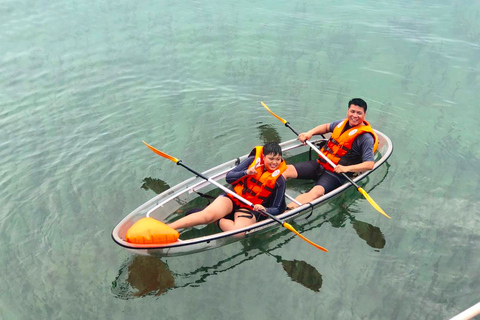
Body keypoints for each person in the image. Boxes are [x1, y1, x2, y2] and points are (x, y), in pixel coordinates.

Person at [169, 142, 287, 232]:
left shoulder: (279, 180)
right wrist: (246, 172)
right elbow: (229, 177)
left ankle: (217, 219)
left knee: (238, 232)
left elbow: (277, 208)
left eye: (278, 159)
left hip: (250, 207)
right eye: (271, 159)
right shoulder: (252, 161)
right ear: (263, 156)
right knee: (206, 216)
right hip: (233, 197)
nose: (274, 162)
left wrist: (264, 210)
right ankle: (169, 228)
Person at [283, 98, 378, 209]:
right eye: (352, 111)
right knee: (285, 170)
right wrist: (310, 133)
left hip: (336, 174)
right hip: (320, 164)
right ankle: (267, 193)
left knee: (316, 192)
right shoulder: (341, 123)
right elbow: (326, 127)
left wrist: (346, 169)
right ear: (348, 111)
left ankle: (287, 210)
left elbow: (369, 164)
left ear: (364, 115)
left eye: (359, 113)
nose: (355, 115)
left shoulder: (365, 138)